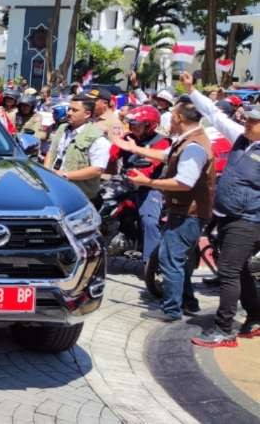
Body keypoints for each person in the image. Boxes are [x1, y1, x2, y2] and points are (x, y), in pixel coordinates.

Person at [180, 72, 260, 348]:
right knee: (238, 270)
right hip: (228, 216)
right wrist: (191, 90)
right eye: (248, 118)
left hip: (248, 220)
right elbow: (214, 114)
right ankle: (256, 316)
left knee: (227, 271)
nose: (247, 122)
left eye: (254, 121)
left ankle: (224, 330)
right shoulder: (240, 137)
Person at [114, 100, 212, 321]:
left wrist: (148, 182)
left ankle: (171, 310)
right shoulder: (187, 141)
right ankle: (188, 302)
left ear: (179, 118)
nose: (169, 119)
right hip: (183, 209)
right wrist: (132, 147)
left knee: (170, 260)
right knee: (179, 260)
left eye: (173, 115)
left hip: (189, 212)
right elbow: (166, 155)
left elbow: (184, 183)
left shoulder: (194, 146)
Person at [107, 105, 171, 264]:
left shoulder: (162, 142)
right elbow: (111, 157)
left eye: (137, 124)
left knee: (149, 221)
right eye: (132, 123)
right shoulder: (128, 138)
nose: (132, 127)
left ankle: (151, 263)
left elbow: (151, 165)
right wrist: (111, 153)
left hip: (149, 187)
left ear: (149, 125)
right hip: (124, 184)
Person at [44, 95, 110, 201]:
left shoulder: (97, 138)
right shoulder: (62, 128)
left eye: (74, 110)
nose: (69, 113)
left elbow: (97, 169)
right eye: (69, 109)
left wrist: (65, 175)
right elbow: (51, 151)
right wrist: (46, 172)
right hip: (55, 188)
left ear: (87, 114)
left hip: (79, 195)